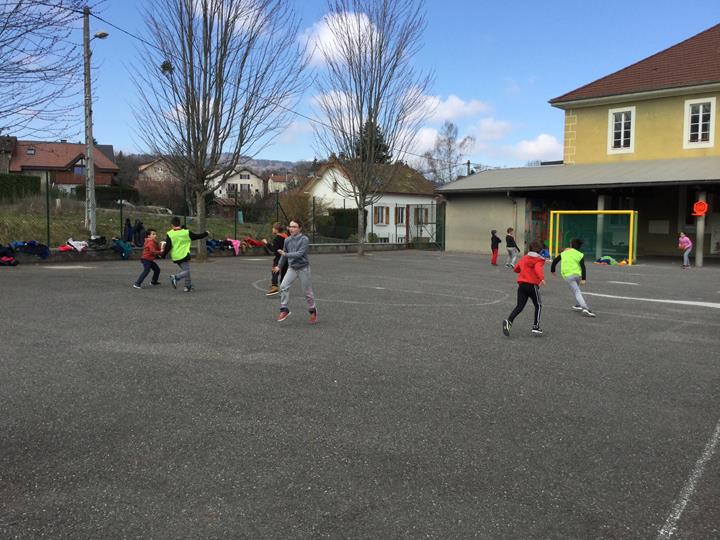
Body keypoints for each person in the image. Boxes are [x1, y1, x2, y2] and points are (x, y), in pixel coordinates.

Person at [273, 219, 317, 323]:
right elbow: (284, 254)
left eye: (294, 227)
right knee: (283, 287)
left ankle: (313, 310)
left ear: (299, 228)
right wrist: (279, 266)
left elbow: (300, 254)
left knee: (307, 292)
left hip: (303, 268)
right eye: (290, 226)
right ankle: (284, 309)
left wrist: (285, 254)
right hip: (292, 268)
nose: (291, 229)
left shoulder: (304, 239)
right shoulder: (287, 240)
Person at [503, 240, 546, 337]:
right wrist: (542, 278)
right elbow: (537, 269)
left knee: (520, 306)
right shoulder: (539, 260)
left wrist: (523, 271)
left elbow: (516, 269)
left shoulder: (524, 258)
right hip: (532, 285)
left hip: (522, 285)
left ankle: (509, 321)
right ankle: (536, 326)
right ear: (539, 250)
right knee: (538, 305)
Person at [161, 216, 209, 292]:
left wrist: (163, 255)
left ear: (172, 225)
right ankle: (176, 277)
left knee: (185, 270)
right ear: (179, 223)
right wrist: (206, 233)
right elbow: (197, 236)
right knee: (187, 271)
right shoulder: (186, 232)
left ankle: (188, 286)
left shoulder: (170, 233)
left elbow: (168, 246)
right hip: (183, 255)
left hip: (175, 255)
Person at [550, 238, 595, 317]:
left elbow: (555, 261)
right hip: (577, 275)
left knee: (576, 291)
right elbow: (583, 267)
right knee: (576, 289)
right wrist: (584, 279)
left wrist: (552, 270)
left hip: (568, 275)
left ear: (571, 245)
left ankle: (585, 308)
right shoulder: (580, 254)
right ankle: (578, 305)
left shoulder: (565, 253)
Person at [262, 222, 289, 296]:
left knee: (274, 271)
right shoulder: (286, 237)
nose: (272, 229)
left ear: (276, 229)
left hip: (279, 258)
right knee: (284, 274)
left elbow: (274, 249)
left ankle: (274, 287)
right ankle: (284, 290)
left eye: (273, 228)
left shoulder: (277, 238)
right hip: (286, 258)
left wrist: (266, 243)